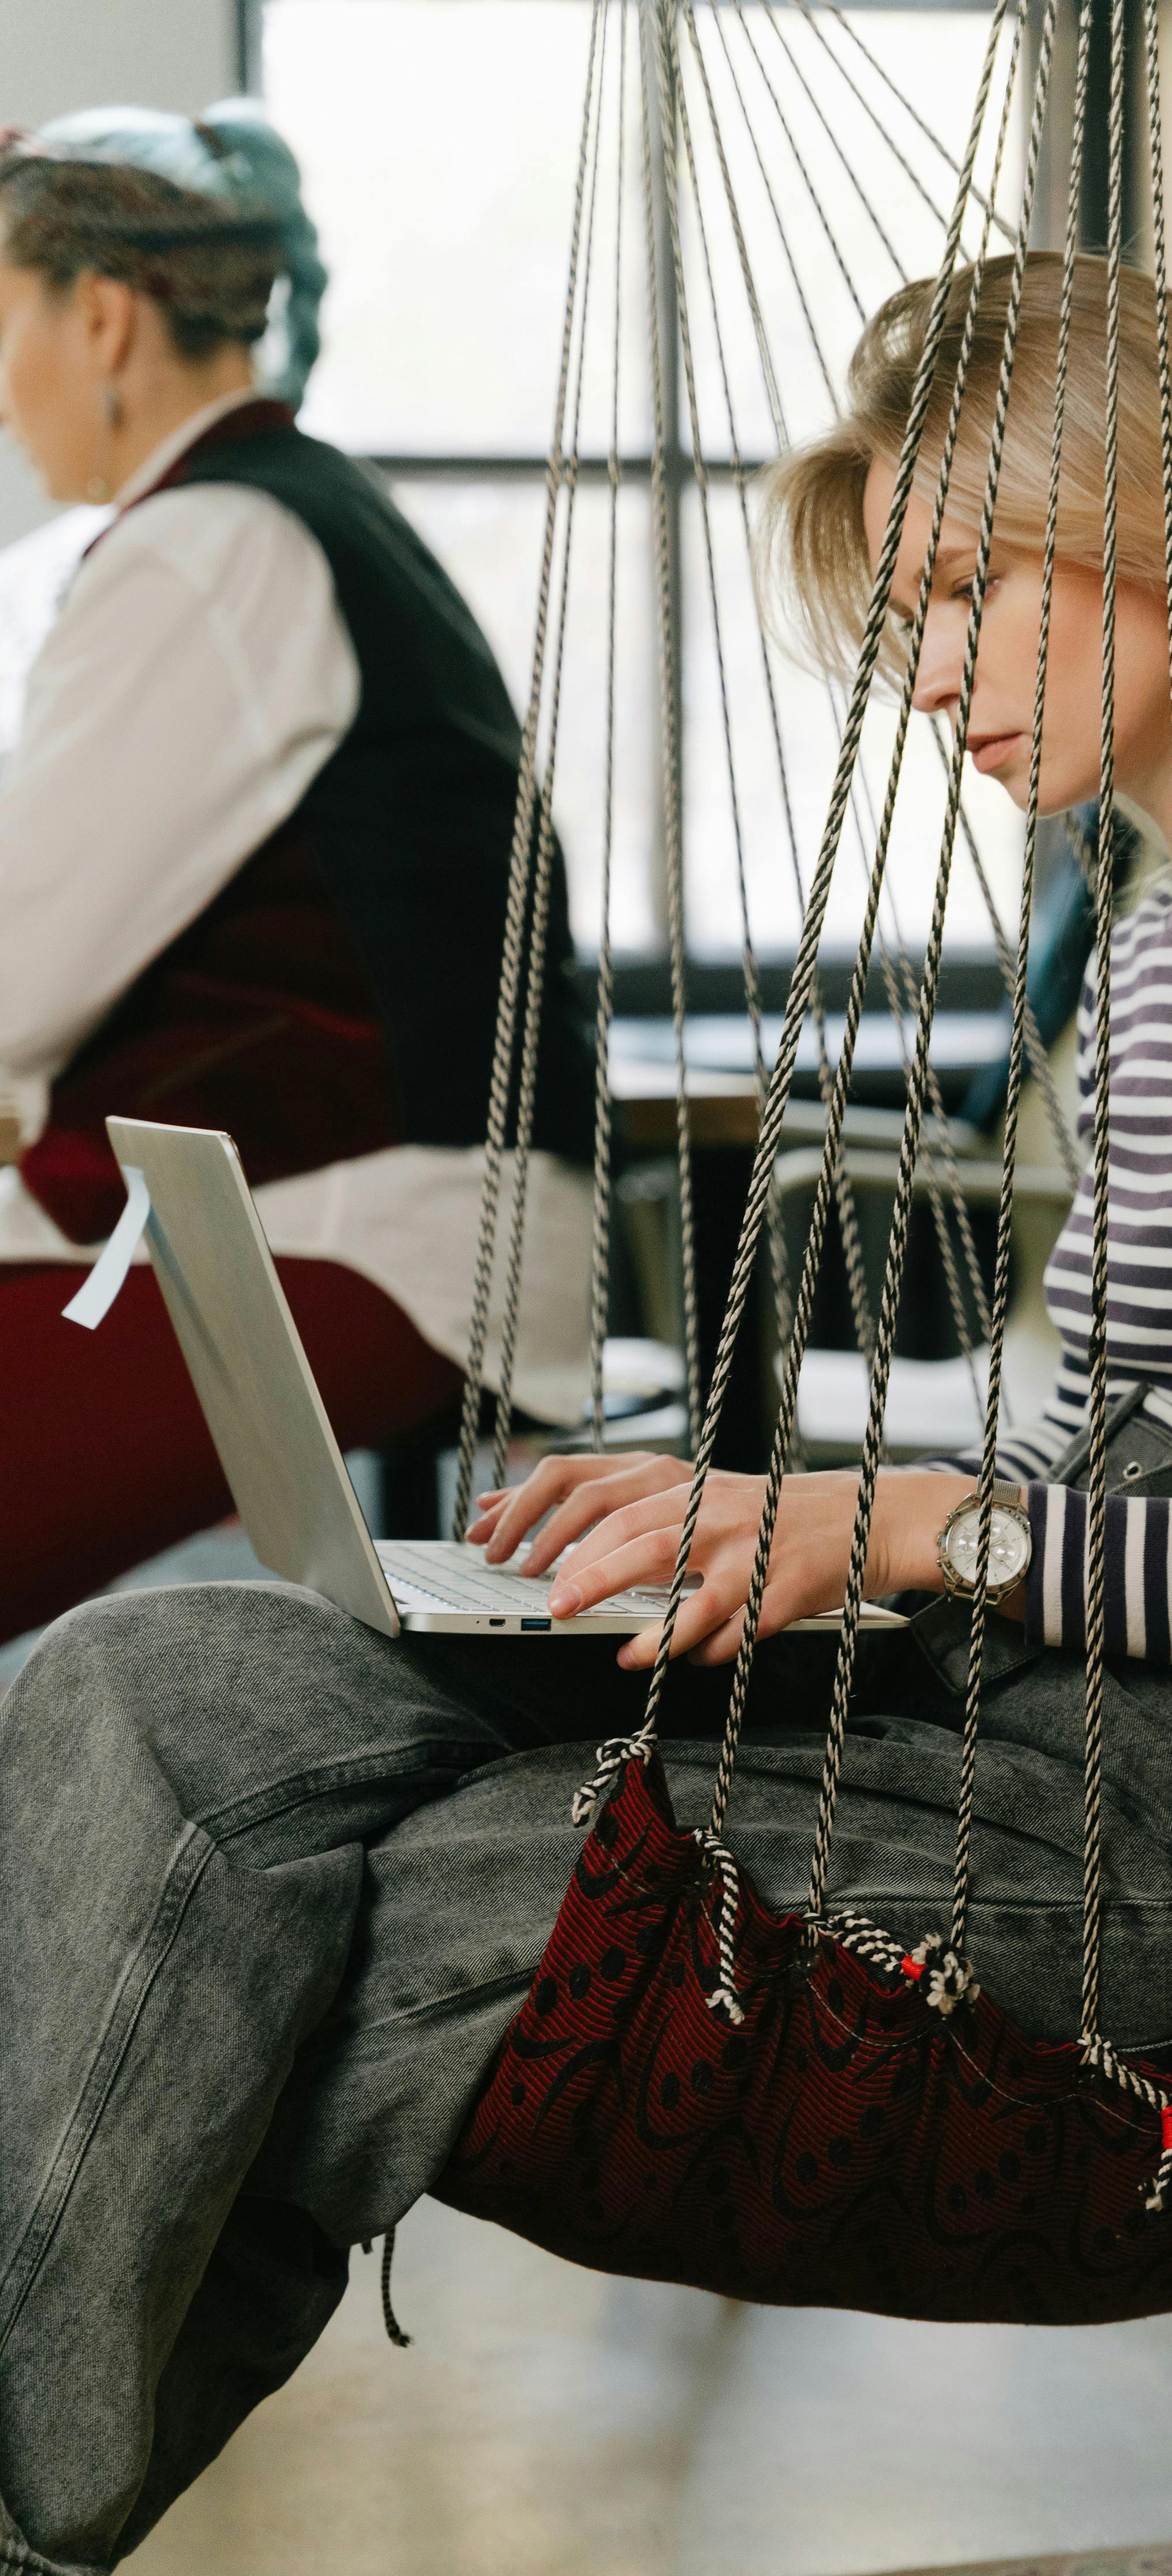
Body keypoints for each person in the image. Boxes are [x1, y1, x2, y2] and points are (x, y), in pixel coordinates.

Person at [0, 253, 1172, 2576]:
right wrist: (764, 1513)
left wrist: (889, 1524)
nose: (928, 665)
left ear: (1169, 526)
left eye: (968, 586)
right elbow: (1106, 1446)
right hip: (1042, 1695)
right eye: (906, 610)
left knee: (288, 1900)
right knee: (158, 1695)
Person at [0, 103, 596, 1645]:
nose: (2, 398)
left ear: (105, 317)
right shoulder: (279, 513)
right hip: (344, 1210)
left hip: (356, 1237)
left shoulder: (205, 551)